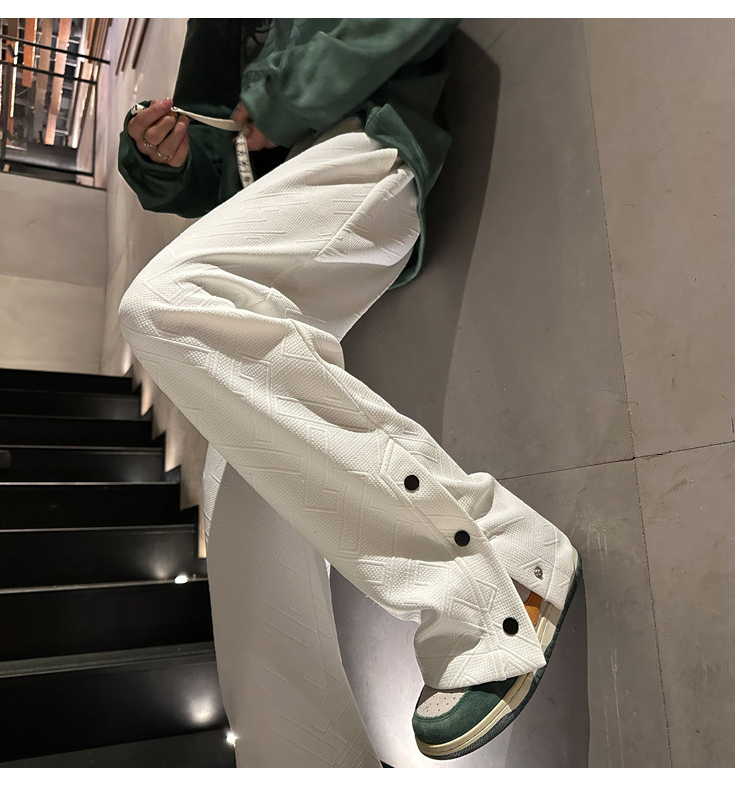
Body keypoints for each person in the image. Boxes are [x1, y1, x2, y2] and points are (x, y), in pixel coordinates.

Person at [117, 19, 581, 766]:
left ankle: (495, 568)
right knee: (242, 501)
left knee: (166, 303)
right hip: (277, 196)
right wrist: (160, 158)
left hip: (370, 144)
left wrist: (281, 95)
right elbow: (216, 147)